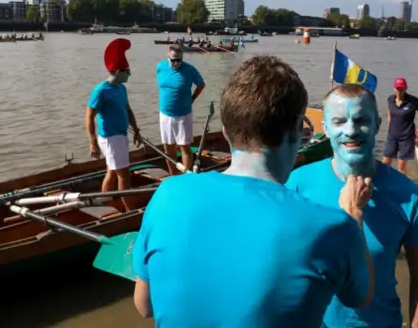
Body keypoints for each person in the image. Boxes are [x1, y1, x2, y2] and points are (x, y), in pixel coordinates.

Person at [133, 55, 374, 327]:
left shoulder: (167, 194)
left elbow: (145, 305)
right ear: (297, 130)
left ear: (225, 132)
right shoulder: (333, 226)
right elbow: (361, 296)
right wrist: (354, 213)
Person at [287, 83, 418, 328]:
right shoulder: (297, 185)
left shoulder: (408, 195)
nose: (351, 130)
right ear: (324, 128)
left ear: (378, 125)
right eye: (339, 122)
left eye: (361, 120)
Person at [85, 38, 142, 212]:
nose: (129, 74)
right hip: (110, 138)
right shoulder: (101, 90)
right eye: (127, 71)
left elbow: (128, 109)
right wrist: (93, 142)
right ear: (117, 71)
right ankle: (129, 212)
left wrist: (136, 130)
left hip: (120, 135)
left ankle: (104, 206)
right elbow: (89, 117)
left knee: (111, 171)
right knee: (124, 175)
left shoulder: (121, 88)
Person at [156, 45, 206, 174]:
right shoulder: (160, 67)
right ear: (168, 58)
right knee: (168, 147)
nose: (177, 63)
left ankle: (186, 177)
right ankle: (173, 175)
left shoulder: (190, 70)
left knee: (185, 147)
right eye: (173, 60)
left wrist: (192, 98)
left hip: (183, 116)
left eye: (179, 60)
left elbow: (201, 84)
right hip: (165, 115)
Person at [381, 77, 418, 174]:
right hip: (392, 135)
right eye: (397, 88)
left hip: (407, 137)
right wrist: (389, 122)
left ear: (405, 88)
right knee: (386, 162)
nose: (399, 91)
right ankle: (385, 184)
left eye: (401, 88)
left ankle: (400, 187)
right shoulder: (390, 99)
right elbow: (389, 111)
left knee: (401, 166)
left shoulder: (413, 101)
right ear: (394, 89)